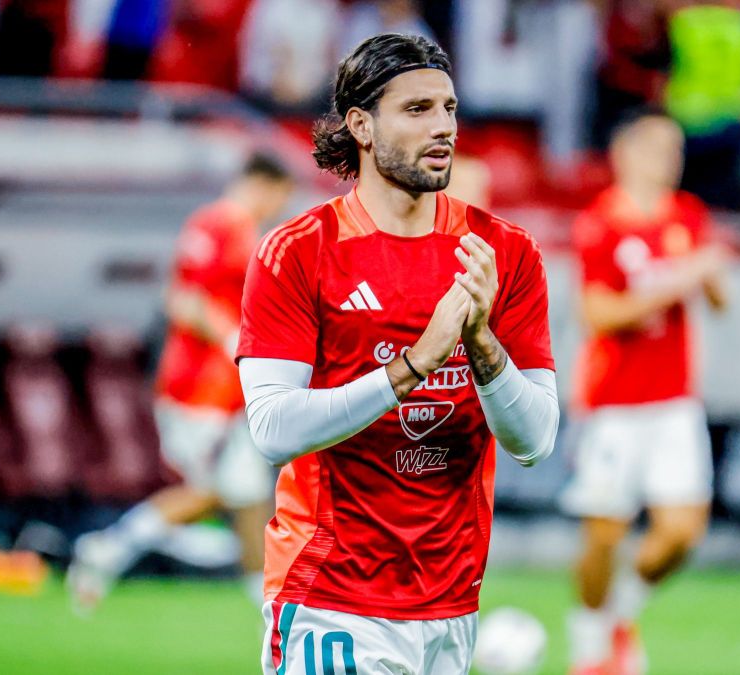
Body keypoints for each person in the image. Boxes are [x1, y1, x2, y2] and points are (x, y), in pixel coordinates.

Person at [235, 33, 559, 674]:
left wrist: (482, 345)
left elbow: (535, 440)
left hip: (451, 605)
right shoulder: (299, 252)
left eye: (449, 108)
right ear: (361, 125)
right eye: (417, 109)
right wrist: (412, 366)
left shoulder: (503, 253)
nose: (443, 127)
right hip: (332, 595)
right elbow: (272, 430)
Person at [67, 153, 296, 613]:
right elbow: (184, 298)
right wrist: (233, 342)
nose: (279, 208)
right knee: (218, 490)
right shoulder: (218, 224)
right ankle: (109, 547)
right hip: (199, 388)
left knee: (248, 494)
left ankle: (268, 607)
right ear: (263, 185)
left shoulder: (242, 230)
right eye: (280, 197)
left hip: (225, 391)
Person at [561, 107, 730, 675]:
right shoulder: (600, 223)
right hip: (612, 402)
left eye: (676, 149)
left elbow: (719, 299)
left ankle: (621, 613)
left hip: (675, 399)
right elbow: (598, 313)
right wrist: (680, 278)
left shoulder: (688, 215)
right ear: (625, 154)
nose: (670, 160)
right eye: (658, 148)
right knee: (604, 534)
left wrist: (710, 274)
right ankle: (589, 649)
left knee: (683, 532)